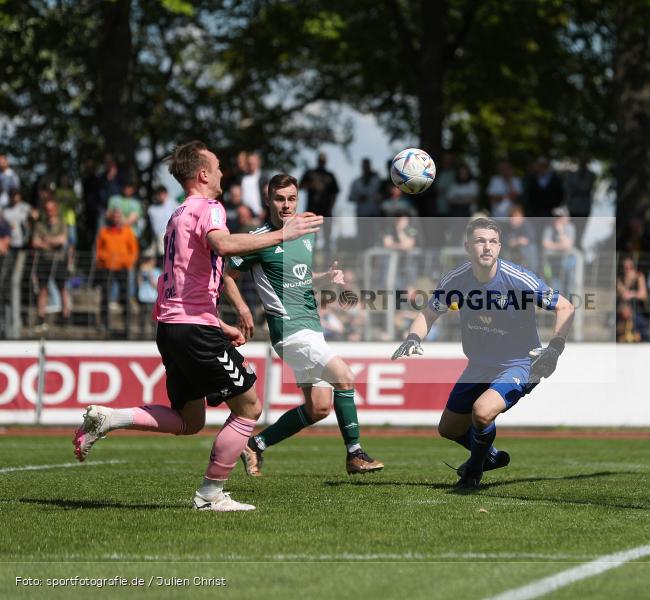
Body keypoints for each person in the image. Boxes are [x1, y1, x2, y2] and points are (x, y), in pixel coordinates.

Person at [72, 141, 323, 512]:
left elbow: (179, 284)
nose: (222, 173)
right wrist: (281, 235)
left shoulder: (176, 216)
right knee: (249, 409)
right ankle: (210, 495)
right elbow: (222, 245)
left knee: (190, 420)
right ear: (203, 174)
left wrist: (218, 324)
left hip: (173, 328)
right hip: (192, 330)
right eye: (217, 167)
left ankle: (111, 418)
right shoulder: (209, 208)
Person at [392, 217, 574, 489]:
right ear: (467, 246)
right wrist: (414, 336)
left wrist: (555, 349)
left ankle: (473, 471)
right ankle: (488, 455)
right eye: (479, 241)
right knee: (449, 429)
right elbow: (429, 313)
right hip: (478, 365)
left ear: (499, 247)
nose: (486, 247)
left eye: (492, 242)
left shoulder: (517, 279)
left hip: (520, 364)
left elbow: (566, 307)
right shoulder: (456, 279)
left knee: (482, 411)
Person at [222, 173, 383, 477]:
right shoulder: (259, 239)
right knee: (344, 377)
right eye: (280, 198)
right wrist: (242, 309)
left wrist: (324, 279)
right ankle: (355, 454)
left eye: (292, 198)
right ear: (268, 199)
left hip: (311, 326)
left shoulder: (305, 231)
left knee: (318, 408)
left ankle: (255, 444)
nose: (286, 205)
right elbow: (227, 277)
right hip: (289, 330)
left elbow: (298, 278)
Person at [94, 209, 139, 337]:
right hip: (107, 268)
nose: (116, 218)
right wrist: (105, 259)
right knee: (105, 297)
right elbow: (98, 250)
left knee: (125, 297)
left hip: (122, 268)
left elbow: (134, 250)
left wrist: (127, 262)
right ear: (111, 218)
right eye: (114, 216)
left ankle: (127, 324)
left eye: (119, 216)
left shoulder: (127, 231)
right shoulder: (104, 231)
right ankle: (104, 324)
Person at [31, 199, 70, 329]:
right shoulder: (39, 225)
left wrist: (46, 240)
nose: (49, 212)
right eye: (47, 209)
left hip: (59, 260)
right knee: (43, 289)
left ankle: (65, 316)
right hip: (44, 260)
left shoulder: (62, 224)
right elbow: (35, 242)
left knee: (63, 288)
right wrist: (52, 242)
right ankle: (41, 317)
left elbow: (63, 240)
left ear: (56, 209)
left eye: (51, 209)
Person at [503, 204, 539, 271]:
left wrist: (516, 241)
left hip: (526, 255)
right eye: (511, 217)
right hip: (513, 253)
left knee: (531, 248)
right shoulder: (508, 227)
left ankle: (530, 272)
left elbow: (528, 240)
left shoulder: (527, 225)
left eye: (515, 217)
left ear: (521, 217)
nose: (512, 219)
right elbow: (505, 240)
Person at [146, 186, 177, 257]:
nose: (160, 196)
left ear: (166, 194)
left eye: (162, 194)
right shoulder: (151, 209)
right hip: (157, 240)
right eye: (158, 194)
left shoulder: (173, 204)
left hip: (172, 237)